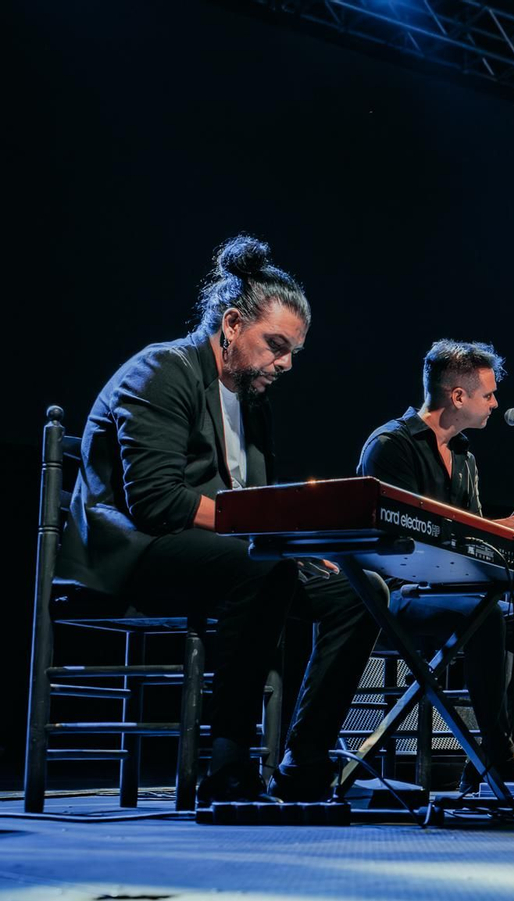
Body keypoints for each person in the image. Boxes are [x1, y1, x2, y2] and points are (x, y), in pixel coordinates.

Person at [58, 235, 379, 803]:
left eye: (291, 354)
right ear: (232, 324)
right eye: (274, 345)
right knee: (258, 569)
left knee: (358, 589)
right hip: (138, 549)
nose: (282, 364)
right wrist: (270, 539)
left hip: (226, 552)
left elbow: (253, 500)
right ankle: (229, 761)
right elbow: (157, 501)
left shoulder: (253, 403)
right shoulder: (161, 370)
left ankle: (304, 762)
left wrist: (297, 542)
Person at [357, 340, 514, 792]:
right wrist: (483, 531)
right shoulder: (391, 446)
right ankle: (498, 757)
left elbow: (466, 538)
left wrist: (507, 533)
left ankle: (485, 761)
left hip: (457, 595)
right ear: (458, 396)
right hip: (397, 594)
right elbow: (394, 540)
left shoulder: (465, 458)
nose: (496, 404)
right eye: (488, 395)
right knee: (488, 616)